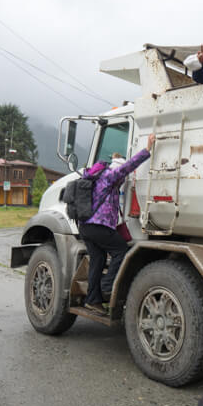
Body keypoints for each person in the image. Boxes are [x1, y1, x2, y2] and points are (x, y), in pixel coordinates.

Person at [80, 133, 155, 313]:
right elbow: (127, 167)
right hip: (98, 226)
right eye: (121, 179)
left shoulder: (97, 179)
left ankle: (93, 300)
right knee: (121, 251)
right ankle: (107, 286)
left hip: (86, 227)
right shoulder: (109, 177)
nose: (122, 181)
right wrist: (147, 149)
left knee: (97, 260)